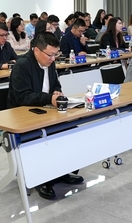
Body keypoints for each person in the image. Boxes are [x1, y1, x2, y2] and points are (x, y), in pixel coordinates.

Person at [7, 32, 84, 200]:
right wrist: (49, 98)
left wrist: (56, 92)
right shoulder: (22, 65)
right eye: (50, 55)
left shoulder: (49, 62)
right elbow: (23, 97)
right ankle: (42, 178)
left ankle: (61, 172)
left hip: (45, 110)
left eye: (55, 54)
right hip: (23, 114)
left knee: (70, 129)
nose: (53, 59)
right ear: (36, 50)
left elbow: (55, 84)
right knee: (44, 137)